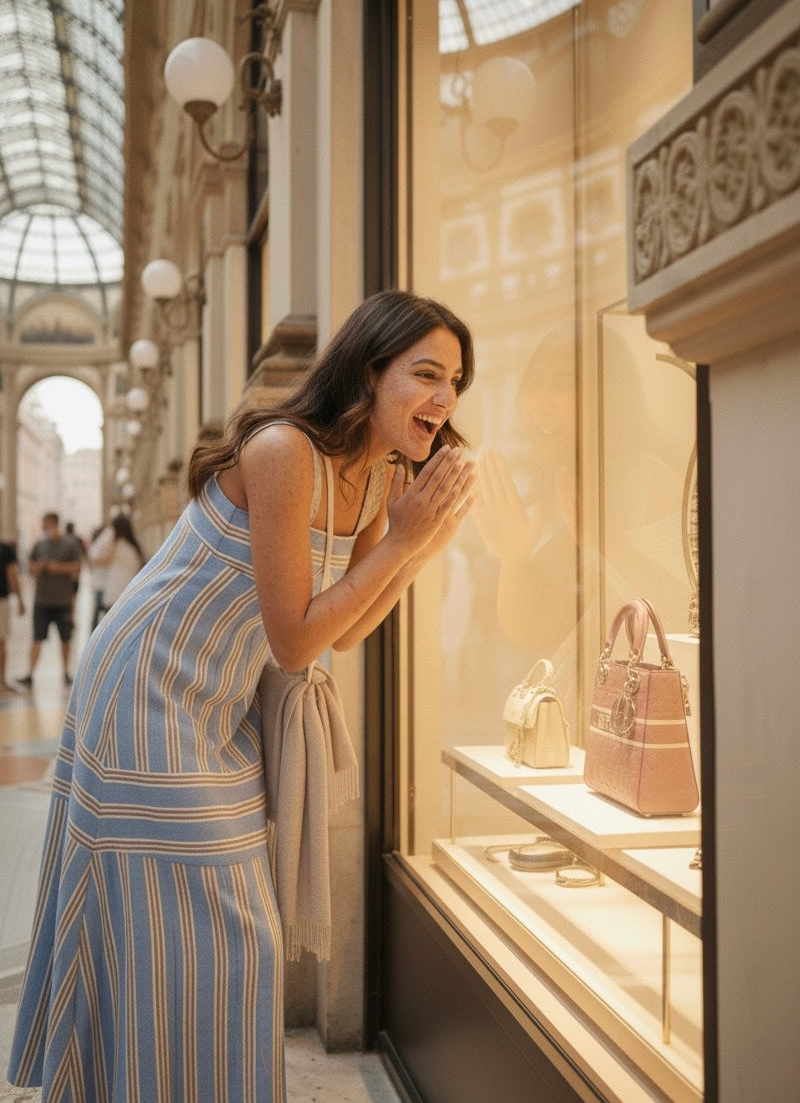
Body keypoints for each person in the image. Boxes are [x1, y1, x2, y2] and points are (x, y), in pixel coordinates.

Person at [8, 289, 475, 1102]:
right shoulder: (284, 450)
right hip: (144, 687)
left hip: (218, 706)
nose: (445, 398)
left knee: (231, 934)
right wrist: (405, 540)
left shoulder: (374, 478)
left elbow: (349, 629)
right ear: (368, 375)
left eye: (456, 380)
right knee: (217, 925)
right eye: (426, 373)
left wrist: (416, 545)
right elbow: (296, 638)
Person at [15, 512, 83, 689]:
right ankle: (30, 674)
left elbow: (78, 566)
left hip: (63, 601)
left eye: (47, 525)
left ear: (55, 524)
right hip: (42, 601)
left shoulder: (70, 544)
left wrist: (58, 568)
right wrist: (40, 566)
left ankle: (66, 673)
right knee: (37, 638)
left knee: (65, 639)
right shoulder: (39, 545)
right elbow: (30, 569)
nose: (45, 529)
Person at [88, 513, 145, 620]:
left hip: (115, 596)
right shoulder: (134, 547)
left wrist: (108, 532)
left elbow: (95, 558)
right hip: (132, 596)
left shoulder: (115, 546)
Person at [0, 537, 25, 693]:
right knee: (0, 642)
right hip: (1, 600)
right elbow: (12, 575)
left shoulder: (5, 549)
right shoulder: (5, 548)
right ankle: (1, 681)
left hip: (2, 599)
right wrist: (20, 600)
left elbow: (12, 575)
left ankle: (2, 680)